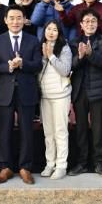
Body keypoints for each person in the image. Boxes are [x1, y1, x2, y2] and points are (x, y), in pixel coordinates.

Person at [0, 5, 42, 185]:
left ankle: (25, 167)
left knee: (27, 131)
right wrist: (9, 66)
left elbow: (38, 64)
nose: (15, 21)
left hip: (27, 91)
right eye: (11, 18)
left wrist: (23, 64)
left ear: (24, 20)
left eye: (19, 18)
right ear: (5, 20)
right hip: (5, 92)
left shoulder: (33, 40)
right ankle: (6, 167)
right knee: (4, 131)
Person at [68, 8, 102, 177]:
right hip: (80, 90)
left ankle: (99, 163)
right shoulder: (74, 42)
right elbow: (71, 65)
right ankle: (82, 163)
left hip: (98, 90)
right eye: (86, 21)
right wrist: (80, 57)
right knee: (80, 129)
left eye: (93, 21)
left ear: (98, 23)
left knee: (98, 129)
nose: (90, 24)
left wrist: (90, 54)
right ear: (81, 24)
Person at [38, 20, 72, 180]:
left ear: (59, 33)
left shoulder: (64, 48)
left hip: (61, 95)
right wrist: (44, 56)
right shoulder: (39, 46)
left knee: (60, 131)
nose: (51, 32)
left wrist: (51, 56)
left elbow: (65, 71)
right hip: (44, 95)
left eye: (55, 30)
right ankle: (50, 163)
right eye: (48, 29)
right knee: (48, 133)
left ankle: (61, 165)